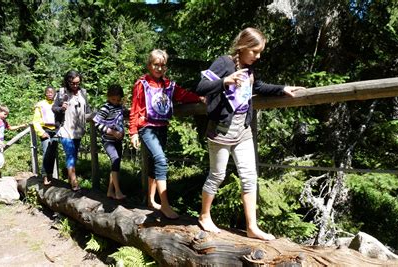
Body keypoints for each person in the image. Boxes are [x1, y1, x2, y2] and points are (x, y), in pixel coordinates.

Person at [195, 27, 305, 240]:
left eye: (260, 52)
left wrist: (282, 88)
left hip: (243, 131)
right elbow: (200, 86)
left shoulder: (249, 69)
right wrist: (224, 81)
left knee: (249, 177)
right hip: (220, 132)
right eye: (255, 51)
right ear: (243, 47)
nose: (258, 56)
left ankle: (252, 227)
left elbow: (260, 87)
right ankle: (204, 216)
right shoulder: (224, 63)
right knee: (217, 175)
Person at [129, 49, 203, 219]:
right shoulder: (142, 84)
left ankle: (150, 199)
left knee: (154, 162)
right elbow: (134, 108)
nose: (159, 68)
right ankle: (165, 205)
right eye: (156, 65)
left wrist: (199, 99)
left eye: (163, 65)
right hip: (146, 127)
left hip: (162, 127)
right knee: (161, 160)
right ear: (149, 65)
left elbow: (182, 95)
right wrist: (133, 132)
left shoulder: (168, 85)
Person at [52, 70, 91, 191]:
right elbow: (54, 108)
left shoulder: (83, 93)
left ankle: (70, 180)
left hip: (78, 130)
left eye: (77, 83)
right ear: (67, 81)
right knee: (70, 155)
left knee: (74, 155)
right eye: (72, 83)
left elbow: (87, 110)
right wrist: (61, 108)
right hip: (65, 129)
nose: (75, 85)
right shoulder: (61, 93)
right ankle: (74, 182)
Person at [93, 84, 126, 200]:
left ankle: (109, 191)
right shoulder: (105, 108)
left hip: (118, 141)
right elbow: (97, 123)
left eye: (118, 99)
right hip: (108, 141)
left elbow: (121, 120)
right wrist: (111, 132)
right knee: (115, 159)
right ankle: (118, 192)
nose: (116, 102)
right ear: (108, 97)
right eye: (113, 99)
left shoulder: (119, 107)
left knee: (115, 165)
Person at [0, 105, 28, 184]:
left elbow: (10, 128)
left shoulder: (3, 121)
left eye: (7, 114)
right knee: (0, 159)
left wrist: (21, 126)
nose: (6, 116)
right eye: (5, 114)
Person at [33, 86, 58, 186]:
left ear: (55, 93)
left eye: (52, 92)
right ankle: (44, 176)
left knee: (52, 153)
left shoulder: (58, 104)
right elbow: (36, 121)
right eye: (48, 92)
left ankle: (50, 174)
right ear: (45, 93)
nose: (50, 94)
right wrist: (41, 132)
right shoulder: (40, 105)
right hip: (45, 130)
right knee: (46, 153)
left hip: (56, 131)